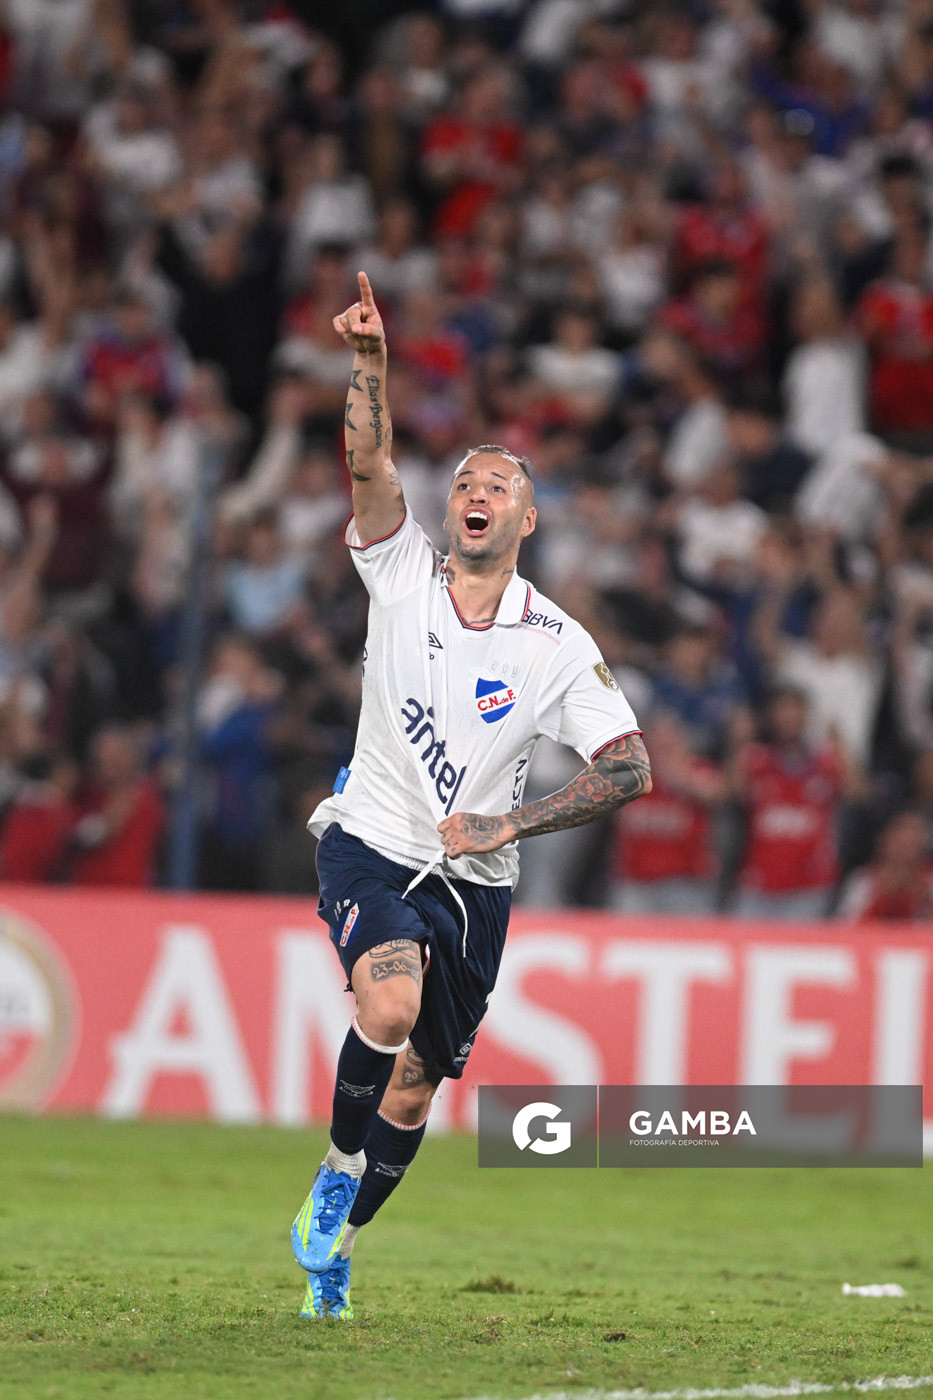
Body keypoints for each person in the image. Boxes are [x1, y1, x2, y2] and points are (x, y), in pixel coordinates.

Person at [290, 272, 651, 1320]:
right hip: (371, 837)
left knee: (420, 1082)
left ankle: (343, 1238)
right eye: (462, 480)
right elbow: (365, 460)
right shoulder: (397, 568)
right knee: (387, 1002)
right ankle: (333, 1163)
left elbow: (630, 764)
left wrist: (514, 820)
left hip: (475, 877)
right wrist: (370, 361)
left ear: (527, 516)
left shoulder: (555, 643)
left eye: (497, 483)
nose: (475, 491)